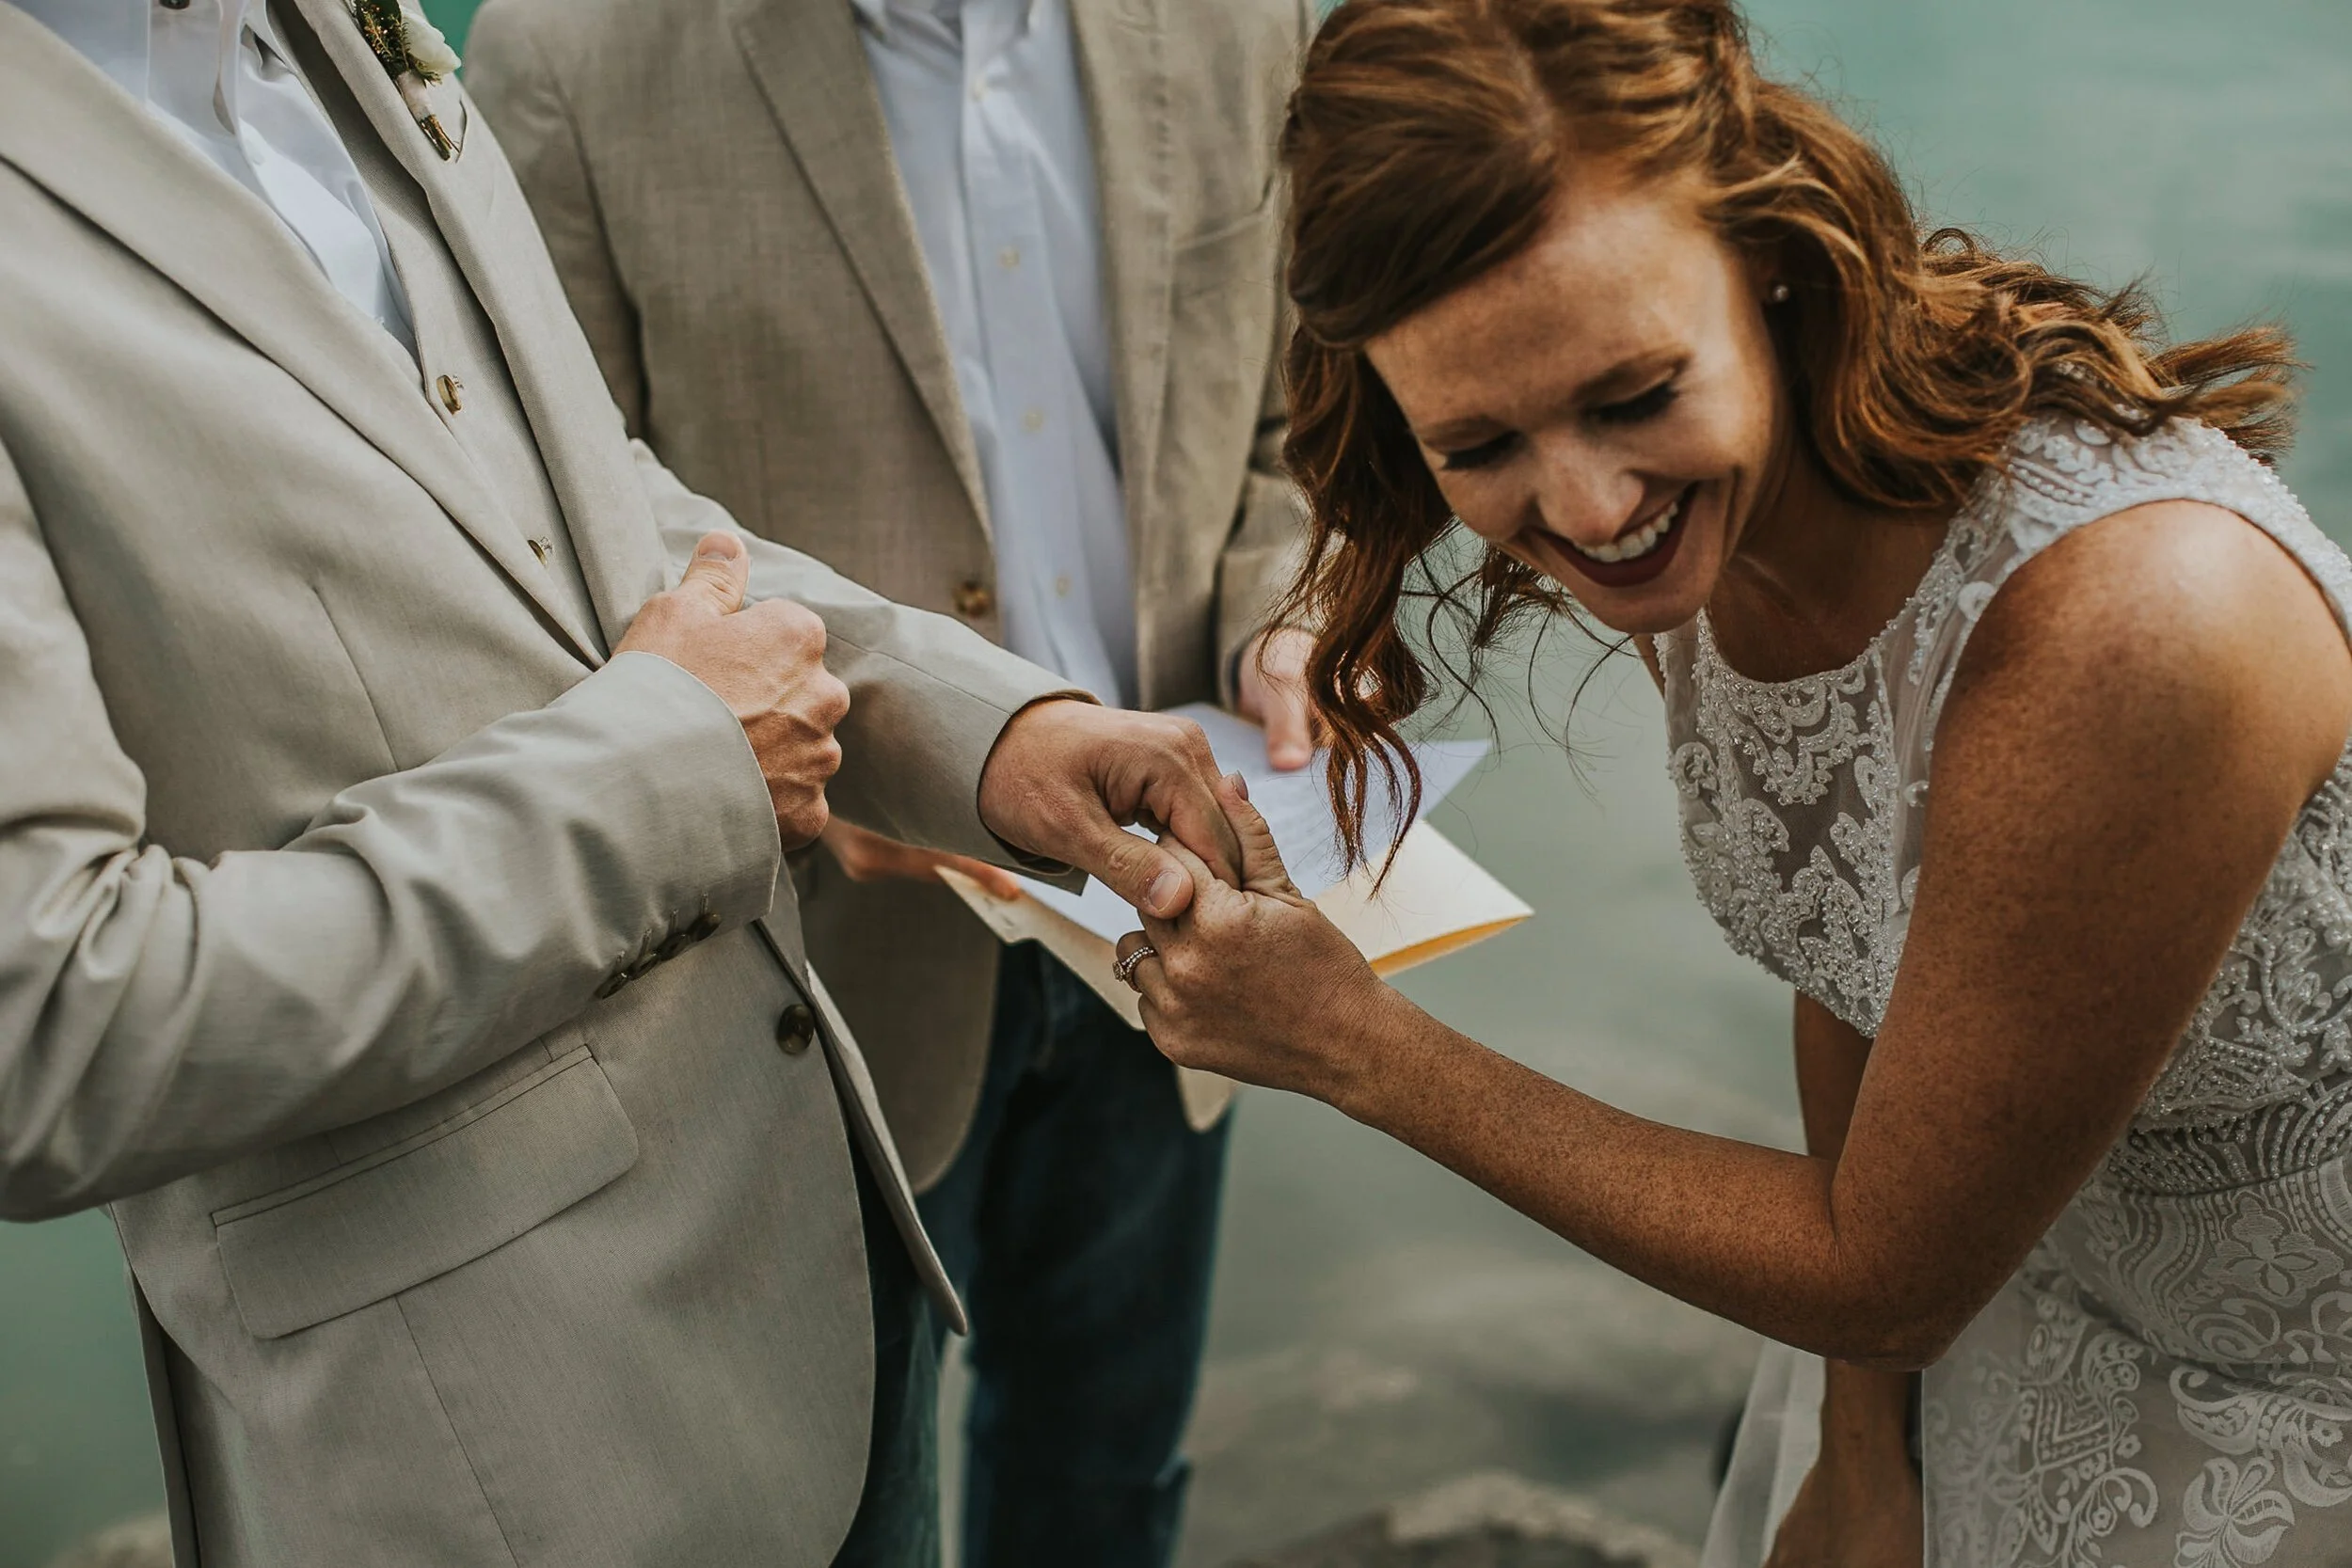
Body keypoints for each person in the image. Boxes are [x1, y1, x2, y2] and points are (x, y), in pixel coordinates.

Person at [0, 0, 1248, 1563]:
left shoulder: (325, 29)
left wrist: (981, 733)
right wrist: (673, 770)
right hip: (502, 1452)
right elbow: (46, 1030)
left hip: (824, 1288)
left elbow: (597, 510)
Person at [1112, 0, 2352, 1563]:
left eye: (1630, 395)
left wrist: (1359, 1045)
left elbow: (1895, 1266)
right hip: (2027, 1315)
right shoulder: (1728, 514)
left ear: (1767, 249)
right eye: (1478, 440)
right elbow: (1861, 964)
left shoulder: (2130, 629)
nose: (1587, 505)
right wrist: (1863, 1462)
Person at [463, 0, 1314, 1558]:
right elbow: (538, 548)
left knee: (1110, 1480)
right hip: (809, 984)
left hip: (1175, 918)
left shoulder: (1244, 14)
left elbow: (1285, 428)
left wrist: (1291, 617)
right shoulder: (561, 50)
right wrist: (814, 755)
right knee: (851, 1524)